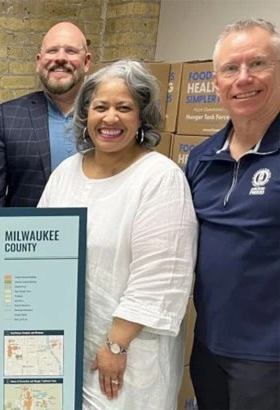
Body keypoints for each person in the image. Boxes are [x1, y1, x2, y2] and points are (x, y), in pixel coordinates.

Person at [38, 60, 197, 409]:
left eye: (124, 107)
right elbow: (40, 248)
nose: (110, 118)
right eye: (100, 107)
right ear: (85, 114)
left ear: (142, 117)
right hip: (65, 346)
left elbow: (159, 277)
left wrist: (116, 345)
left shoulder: (159, 178)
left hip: (127, 356)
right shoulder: (66, 173)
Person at [186, 18, 280, 410]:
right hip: (208, 345)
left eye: (257, 64)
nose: (243, 78)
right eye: (230, 68)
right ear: (216, 83)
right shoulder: (202, 159)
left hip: (269, 358)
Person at [0, 22, 92, 207]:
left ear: (86, 62)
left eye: (71, 51)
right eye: (52, 50)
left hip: (94, 233)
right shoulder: (10, 116)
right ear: (39, 61)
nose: (60, 58)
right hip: (26, 234)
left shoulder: (107, 119)